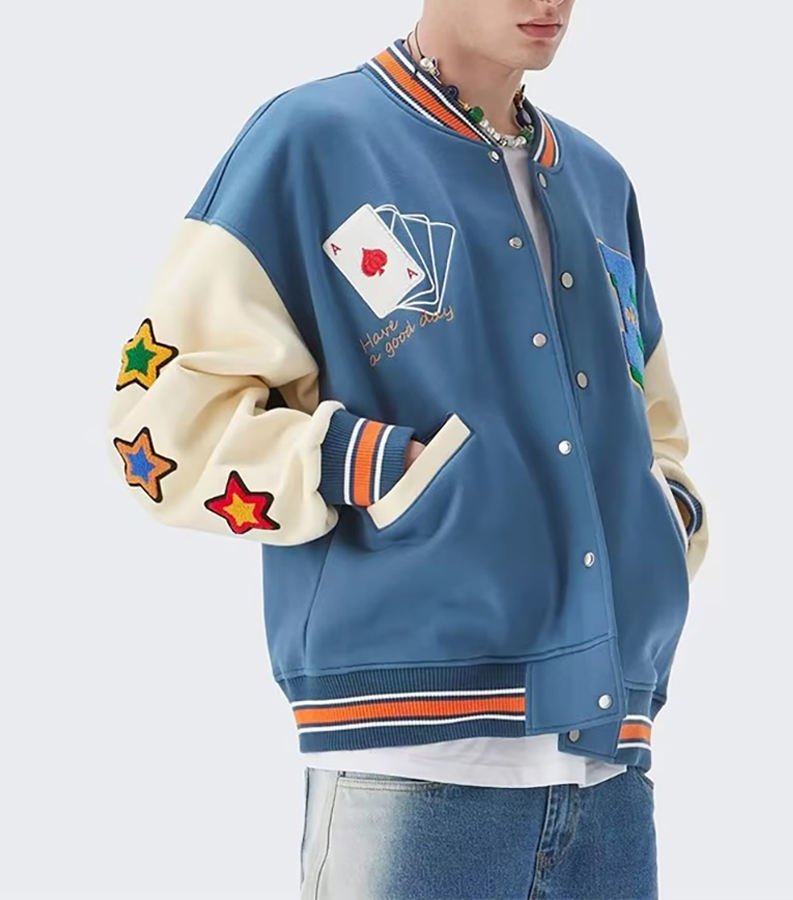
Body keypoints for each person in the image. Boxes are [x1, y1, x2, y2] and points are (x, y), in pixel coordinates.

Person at [106, 0, 709, 895]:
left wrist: (662, 520)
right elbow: (162, 419)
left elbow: (650, 418)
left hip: (608, 767)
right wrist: (372, 466)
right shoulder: (314, 142)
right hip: (408, 767)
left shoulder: (596, 179)